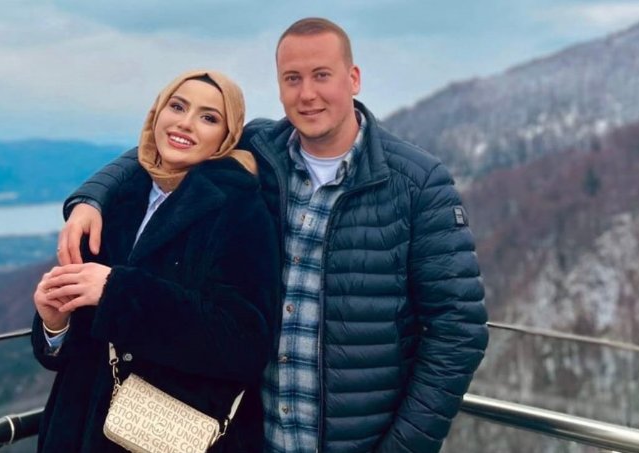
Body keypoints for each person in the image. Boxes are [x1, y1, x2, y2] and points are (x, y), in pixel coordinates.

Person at [58, 17, 489, 453]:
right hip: (252, 438)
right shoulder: (259, 151)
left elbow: (458, 330)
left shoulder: (416, 183)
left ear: (354, 78)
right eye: (292, 78)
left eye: (322, 75)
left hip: (359, 441)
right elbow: (162, 148)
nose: (307, 94)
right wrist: (91, 199)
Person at [31, 70, 280, 453]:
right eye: (177, 106)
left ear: (226, 137)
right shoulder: (116, 201)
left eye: (208, 117)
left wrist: (118, 291)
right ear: (157, 113)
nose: (186, 122)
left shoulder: (240, 211)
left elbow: (243, 343)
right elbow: (76, 350)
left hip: (166, 436)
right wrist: (55, 324)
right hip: (76, 431)